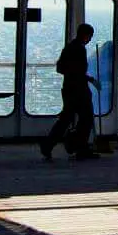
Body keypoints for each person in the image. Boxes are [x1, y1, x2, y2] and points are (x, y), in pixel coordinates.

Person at [41, 23, 99, 160]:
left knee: (65, 120)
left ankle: (48, 145)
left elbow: (60, 68)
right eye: (90, 36)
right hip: (79, 91)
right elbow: (79, 72)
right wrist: (90, 79)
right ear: (85, 35)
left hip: (68, 89)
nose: (90, 39)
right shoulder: (80, 49)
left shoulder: (68, 48)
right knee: (86, 119)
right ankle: (80, 147)